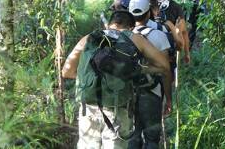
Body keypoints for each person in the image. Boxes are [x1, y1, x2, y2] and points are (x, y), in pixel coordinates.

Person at [62, 10, 172, 149]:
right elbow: (164, 66)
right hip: (117, 108)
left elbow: (66, 71)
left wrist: (92, 78)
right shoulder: (134, 38)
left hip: (88, 107)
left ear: (109, 24)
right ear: (131, 27)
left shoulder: (89, 38)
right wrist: (138, 69)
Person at [127, 0, 172, 149]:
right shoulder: (159, 36)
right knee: (152, 139)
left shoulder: (123, 37)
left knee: (132, 137)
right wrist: (168, 99)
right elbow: (166, 71)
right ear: (148, 14)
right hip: (152, 93)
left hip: (127, 93)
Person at [154, 0, 191, 64]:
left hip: (150, 44)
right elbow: (184, 32)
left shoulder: (151, 4)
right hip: (169, 45)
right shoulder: (176, 7)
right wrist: (187, 54)